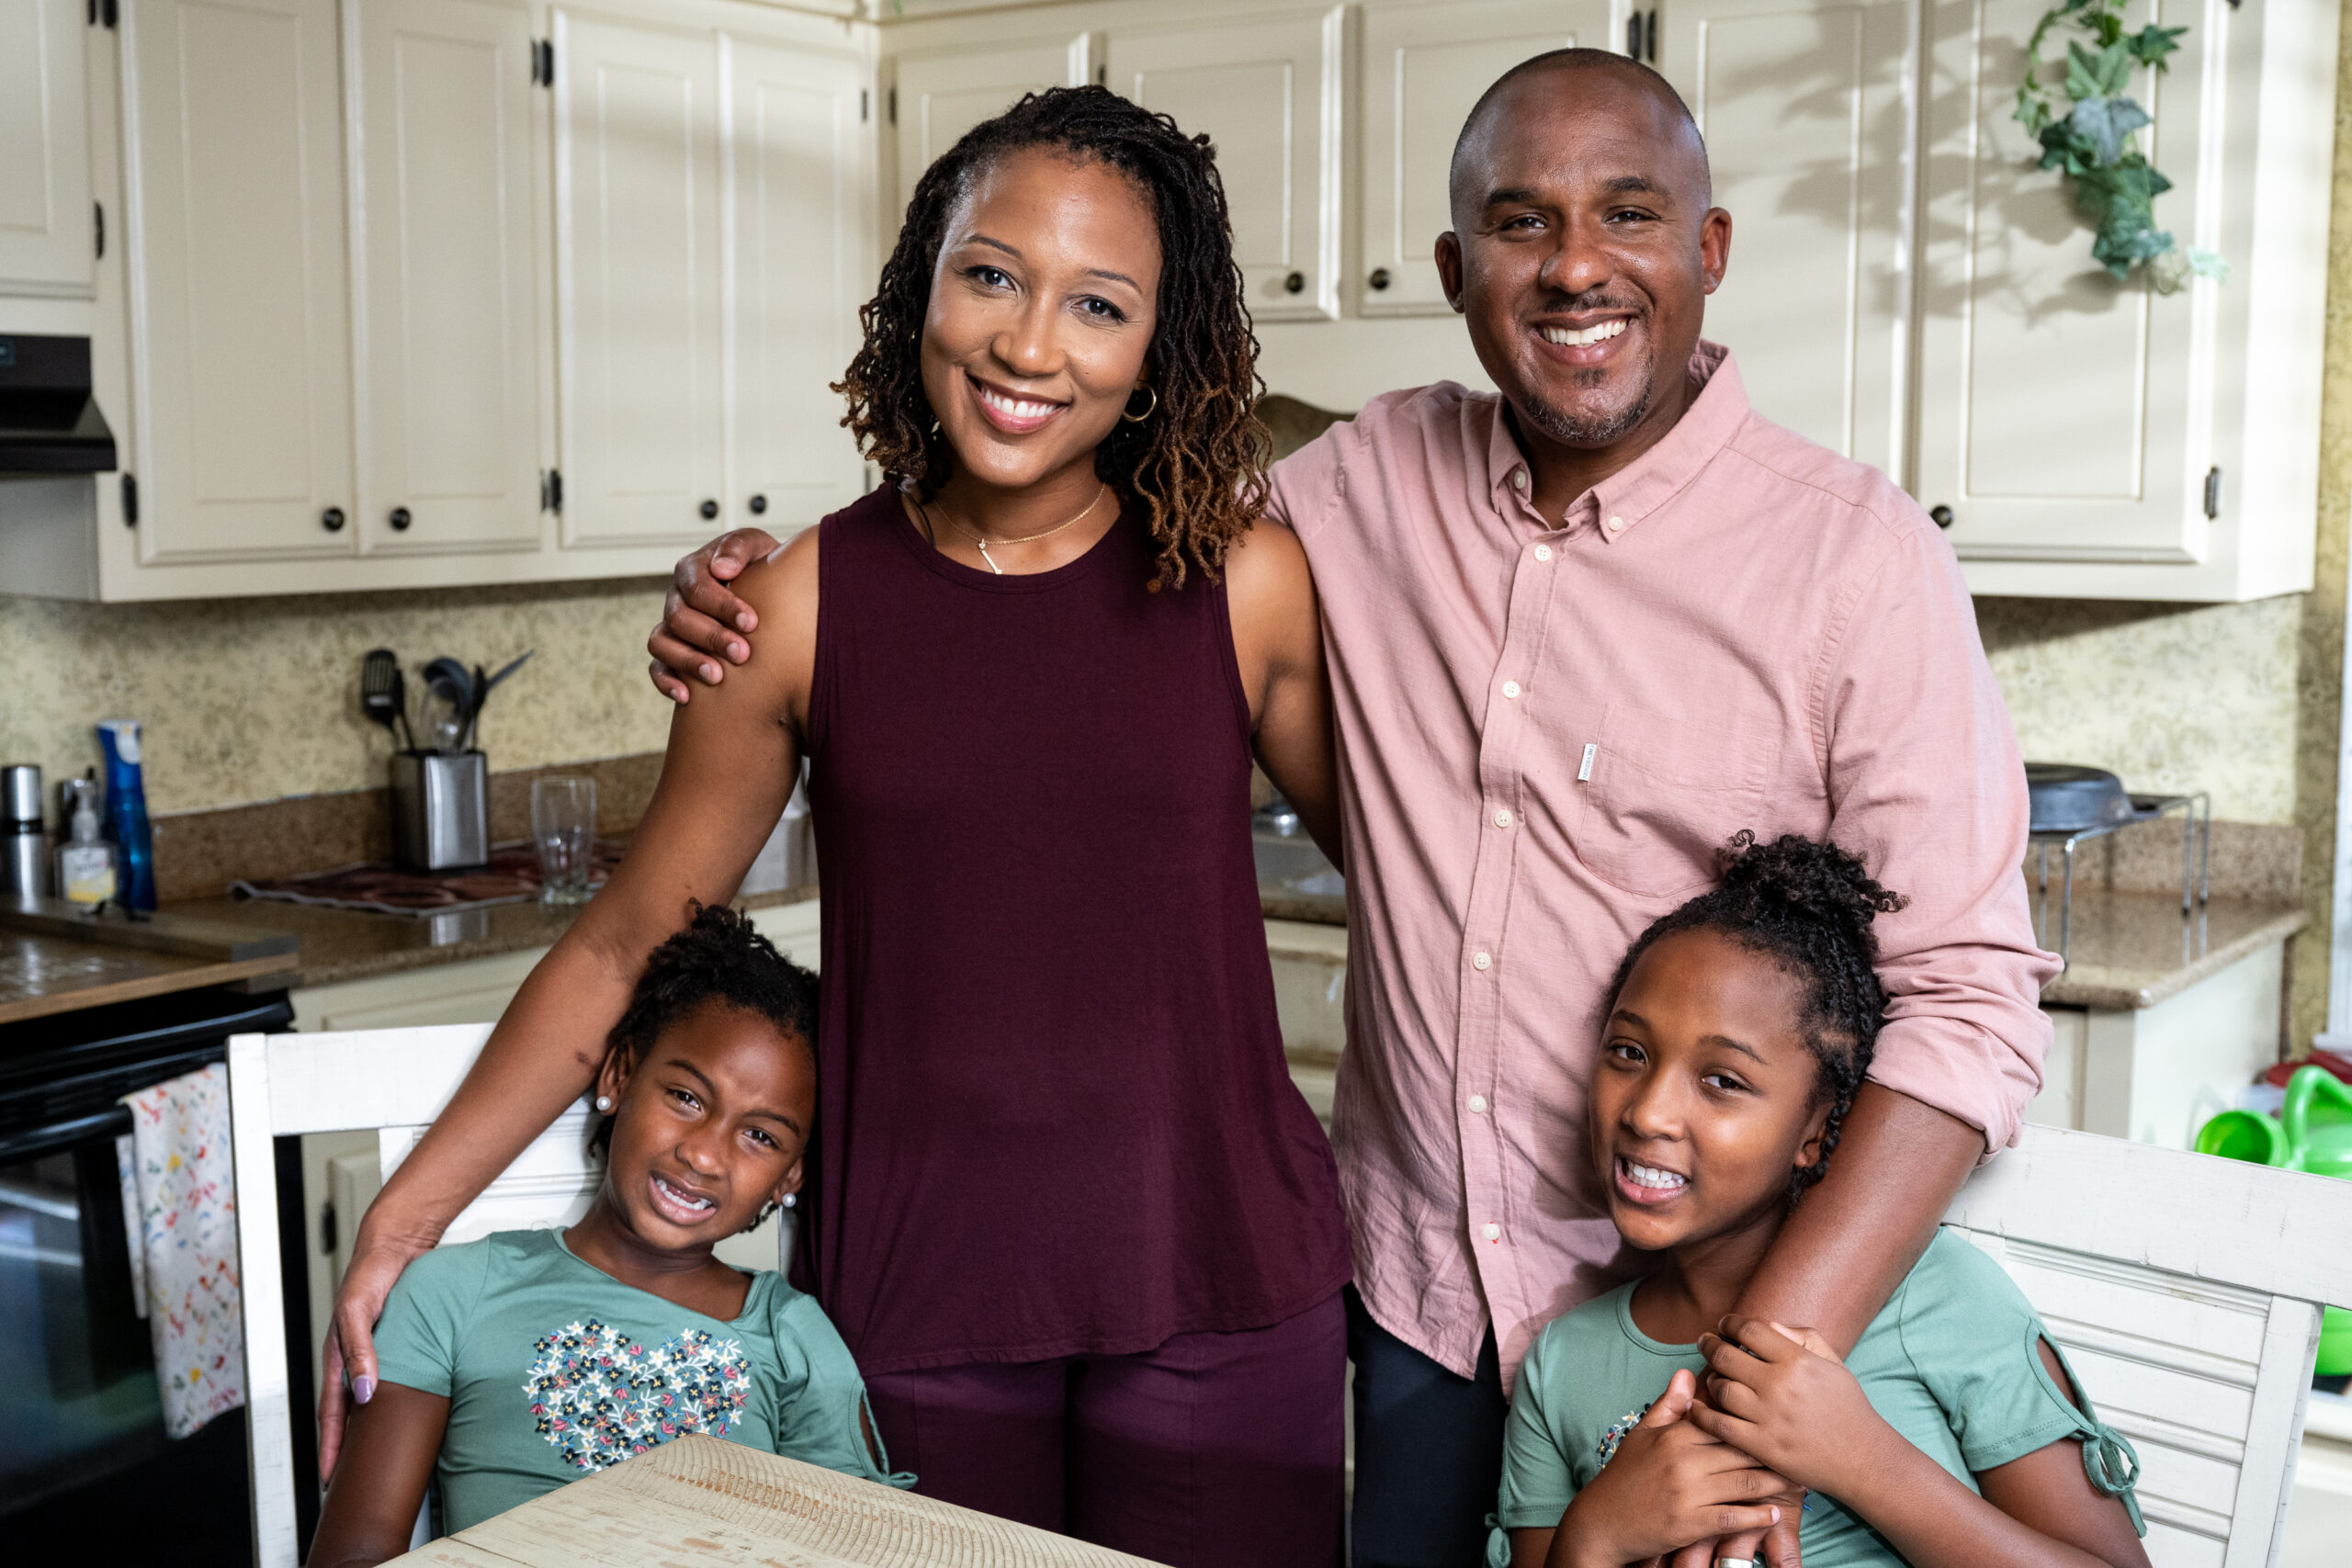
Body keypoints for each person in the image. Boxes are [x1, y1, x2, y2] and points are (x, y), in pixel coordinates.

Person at [646, 49, 2058, 1568]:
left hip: (1699, 1323)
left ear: (1708, 250)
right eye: (1520, 224)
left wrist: (1745, 1382)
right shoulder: (1360, 485)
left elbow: (1968, 1004)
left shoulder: (1860, 564)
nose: (1576, 265)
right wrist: (760, 590)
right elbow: (1060, 485)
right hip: (1416, 1312)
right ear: (1456, 269)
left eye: (1630, 214)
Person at [321, 86, 1352, 1568]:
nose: (1027, 344)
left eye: (1099, 305)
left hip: (1227, 1279)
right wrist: (407, 1217)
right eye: (991, 273)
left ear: (1160, 347)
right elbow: (629, 937)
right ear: (921, 275)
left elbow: (1427, 874)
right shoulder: (796, 604)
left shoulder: (1240, 578)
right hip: (920, 1303)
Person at [1495, 834, 2147, 1568]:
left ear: (1815, 1126)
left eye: (1723, 1080)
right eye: (1629, 1052)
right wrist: (1596, 1534)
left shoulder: (1941, 1300)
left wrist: (1865, 1460)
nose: (1648, 1112)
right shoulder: (1564, 1363)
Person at [306, 906, 904, 1568]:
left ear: (789, 1174)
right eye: (686, 1096)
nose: (705, 1155)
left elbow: (852, 1549)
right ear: (619, 1075)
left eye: (760, 1135)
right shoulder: (453, 1292)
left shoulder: (795, 1336)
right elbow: (355, 1554)